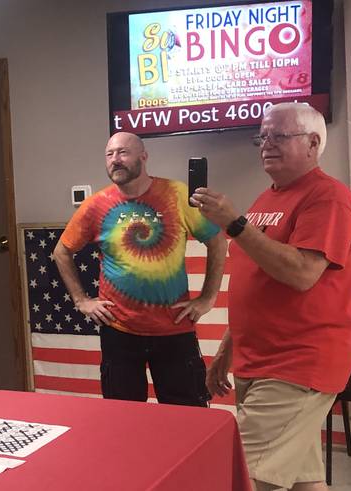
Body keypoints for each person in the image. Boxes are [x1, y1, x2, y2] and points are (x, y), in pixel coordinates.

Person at [194, 102, 351, 491]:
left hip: (297, 364)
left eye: (278, 136)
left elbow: (302, 273)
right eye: (262, 137)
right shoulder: (267, 199)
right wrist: (225, 351)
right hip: (259, 360)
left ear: (313, 142)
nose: (266, 144)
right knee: (304, 484)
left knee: (238, 477)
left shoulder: (328, 198)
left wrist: (235, 224)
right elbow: (257, 282)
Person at [54, 131, 227, 406]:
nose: (115, 160)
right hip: (119, 331)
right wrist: (81, 300)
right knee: (123, 419)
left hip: (174, 330)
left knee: (187, 417)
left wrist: (208, 299)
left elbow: (218, 242)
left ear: (143, 157)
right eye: (109, 155)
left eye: (123, 152)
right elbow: (61, 252)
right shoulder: (96, 205)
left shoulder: (177, 194)